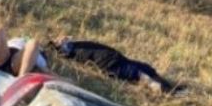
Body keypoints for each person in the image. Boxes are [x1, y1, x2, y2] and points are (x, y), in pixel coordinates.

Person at [50, 37, 180, 94]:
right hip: (110, 63)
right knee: (140, 75)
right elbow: (62, 49)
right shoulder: (68, 51)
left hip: (114, 57)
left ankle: (172, 88)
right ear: (59, 48)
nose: (60, 39)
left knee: (146, 68)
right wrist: (62, 44)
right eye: (57, 41)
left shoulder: (74, 46)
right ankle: (167, 92)